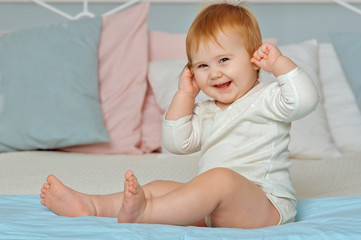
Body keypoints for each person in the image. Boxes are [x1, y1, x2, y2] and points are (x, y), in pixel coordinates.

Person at [40, 2, 319, 228]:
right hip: (215, 208)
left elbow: (305, 100)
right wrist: (185, 95)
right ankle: (90, 205)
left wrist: (279, 64)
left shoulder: (268, 97)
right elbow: (177, 143)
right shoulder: (207, 110)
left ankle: (145, 214)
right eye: (202, 65)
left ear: (254, 59)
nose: (214, 73)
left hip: (264, 208)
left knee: (219, 178)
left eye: (223, 60)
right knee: (160, 186)